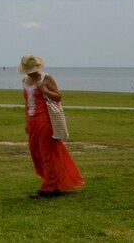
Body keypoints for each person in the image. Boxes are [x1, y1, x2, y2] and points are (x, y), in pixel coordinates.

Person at [19, 54, 84, 198]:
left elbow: (58, 97)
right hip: (32, 119)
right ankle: (53, 183)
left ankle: (48, 187)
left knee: (47, 153)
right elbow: (27, 103)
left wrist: (44, 90)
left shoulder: (45, 78)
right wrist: (26, 121)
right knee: (36, 153)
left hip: (45, 119)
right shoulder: (25, 80)